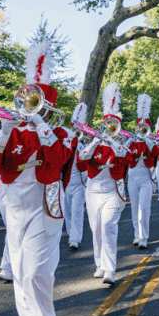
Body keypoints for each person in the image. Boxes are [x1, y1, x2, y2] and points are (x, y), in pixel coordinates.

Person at [0, 41, 72, 316]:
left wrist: (42, 125)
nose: (32, 108)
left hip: (44, 205)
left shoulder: (59, 133)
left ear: (48, 107)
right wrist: (3, 133)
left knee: (36, 272)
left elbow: (59, 160)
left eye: (39, 104)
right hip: (14, 205)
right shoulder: (11, 130)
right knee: (19, 270)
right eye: (30, 103)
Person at [77, 83, 133, 285]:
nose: (110, 131)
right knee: (96, 228)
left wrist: (114, 142)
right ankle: (99, 263)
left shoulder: (120, 145)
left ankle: (110, 269)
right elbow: (81, 163)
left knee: (108, 226)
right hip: (92, 191)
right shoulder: (95, 145)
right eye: (108, 127)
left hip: (112, 191)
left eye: (114, 127)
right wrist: (94, 141)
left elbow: (127, 160)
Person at [128, 93, 158, 249]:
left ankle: (144, 236)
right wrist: (132, 137)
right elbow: (123, 151)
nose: (141, 130)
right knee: (134, 206)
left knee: (144, 207)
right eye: (140, 127)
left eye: (144, 128)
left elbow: (157, 152)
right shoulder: (131, 142)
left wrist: (146, 137)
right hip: (132, 175)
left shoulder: (150, 142)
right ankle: (136, 234)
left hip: (146, 176)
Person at [63, 104, 89, 250]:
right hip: (67, 182)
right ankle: (71, 233)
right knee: (67, 211)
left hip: (80, 182)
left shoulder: (83, 145)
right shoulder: (67, 143)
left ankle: (75, 239)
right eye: (74, 128)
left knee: (77, 210)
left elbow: (83, 163)